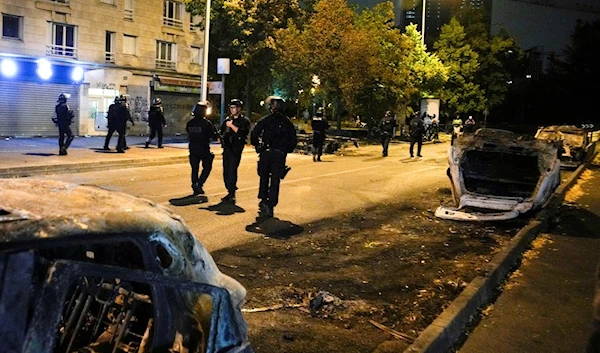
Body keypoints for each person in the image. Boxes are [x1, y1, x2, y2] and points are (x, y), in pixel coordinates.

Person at [250, 96, 297, 219]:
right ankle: (271, 203)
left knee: (264, 176)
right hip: (280, 154)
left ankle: (263, 198)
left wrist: (257, 145)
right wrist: (286, 150)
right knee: (275, 180)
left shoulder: (266, 120)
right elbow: (293, 141)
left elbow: (254, 133)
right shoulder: (287, 123)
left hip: (266, 152)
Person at [219, 99, 251, 203]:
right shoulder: (227, 120)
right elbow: (221, 132)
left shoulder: (244, 121)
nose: (232, 110)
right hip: (227, 148)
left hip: (236, 149)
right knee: (226, 171)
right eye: (231, 108)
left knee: (232, 170)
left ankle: (232, 193)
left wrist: (231, 125)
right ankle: (229, 191)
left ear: (239, 109)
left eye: (234, 108)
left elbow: (242, 133)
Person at [187, 101, 217, 196]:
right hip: (203, 148)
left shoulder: (190, 123)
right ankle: (199, 184)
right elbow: (213, 136)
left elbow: (188, 132)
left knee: (194, 169)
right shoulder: (207, 123)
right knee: (207, 167)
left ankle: (195, 185)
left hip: (192, 148)